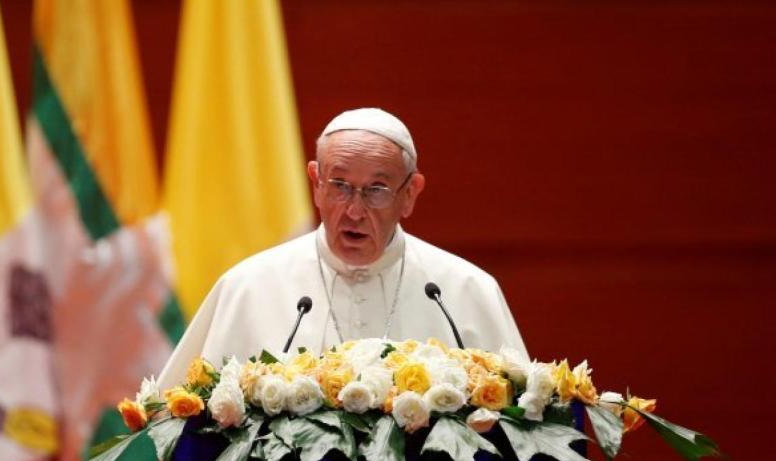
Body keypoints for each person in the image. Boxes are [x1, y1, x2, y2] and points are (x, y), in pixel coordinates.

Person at [158, 108, 527, 385]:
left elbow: (525, 428)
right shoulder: (248, 288)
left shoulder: (463, 290)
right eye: (339, 185)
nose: (354, 210)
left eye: (377, 191)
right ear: (316, 182)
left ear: (410, 194)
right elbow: (183, 424)